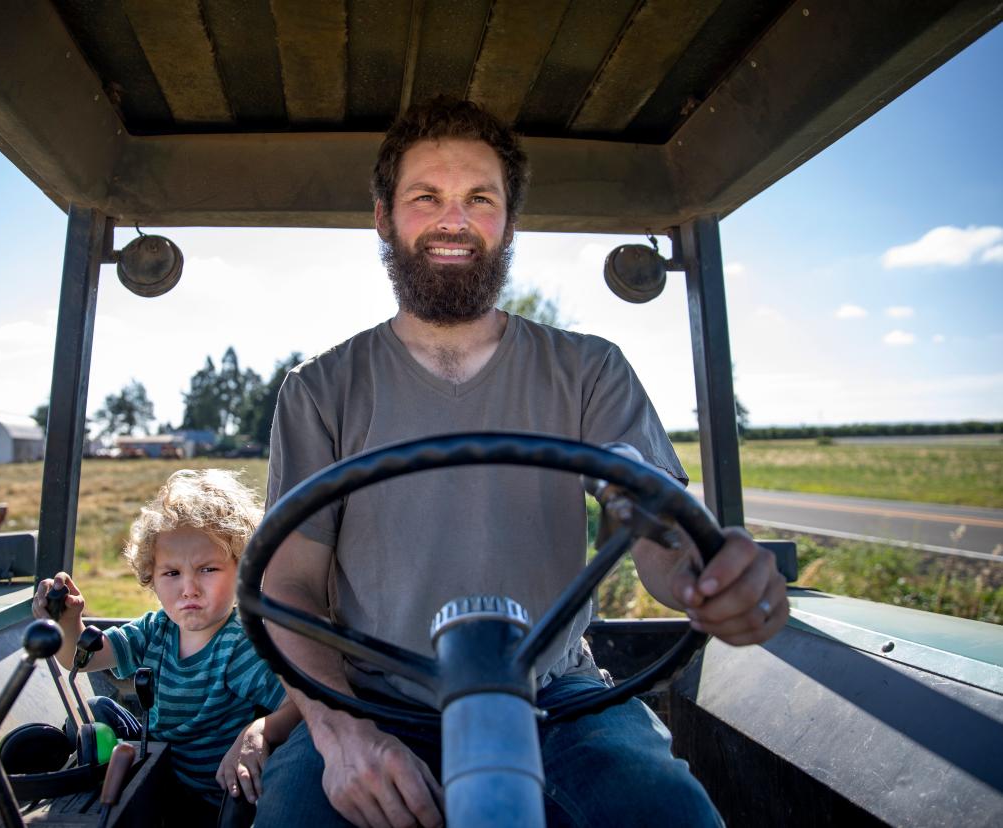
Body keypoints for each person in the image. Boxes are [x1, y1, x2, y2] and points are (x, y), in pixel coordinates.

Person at [254, 96, 790, 828]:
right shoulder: (320, 389)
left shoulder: (589, 371)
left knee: (669, 814)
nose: (454, 220)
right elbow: (288, 584)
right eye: (426, 198)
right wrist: (339, 733)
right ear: (384, 216)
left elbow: (658, 529)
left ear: (508, 221)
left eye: (480, 198)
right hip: (373, 701)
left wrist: (712, 575)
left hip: (555, 696)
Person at [33, 469, 300, 822]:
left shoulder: (238, 645)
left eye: (207, 569)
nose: (188, 588)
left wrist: (259, 731)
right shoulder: (155, 629)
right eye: (172, 574)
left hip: (209, 800)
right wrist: (69, 622)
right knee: (96, 710)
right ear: (152, 577)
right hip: (154, 769)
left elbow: (298, 704)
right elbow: (80, 660)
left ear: (243, 570)